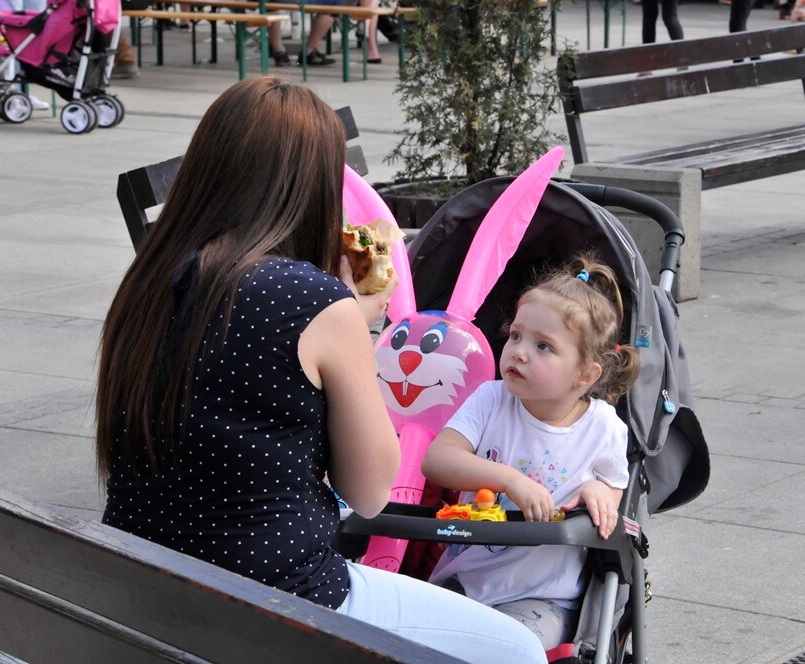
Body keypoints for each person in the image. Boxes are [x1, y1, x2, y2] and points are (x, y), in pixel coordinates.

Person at [95, 76, 546, 664]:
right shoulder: (313, 299)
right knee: (515, 650)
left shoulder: (148, 280)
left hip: (130, 586)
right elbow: (371, 490)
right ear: (310, 187)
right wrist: (359, 323)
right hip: (274, 605)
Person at [421, 256, 642, 650]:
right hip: (468, 579)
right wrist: (508, 478)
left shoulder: (603, 427)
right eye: (516, 336)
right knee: (415, 638)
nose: (519, 352)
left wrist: (598, 492)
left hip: (544, 598)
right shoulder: (491, 399)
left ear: (585, 375)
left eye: (544, 346)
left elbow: (615, 496)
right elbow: (438, 460)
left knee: (506, 648)